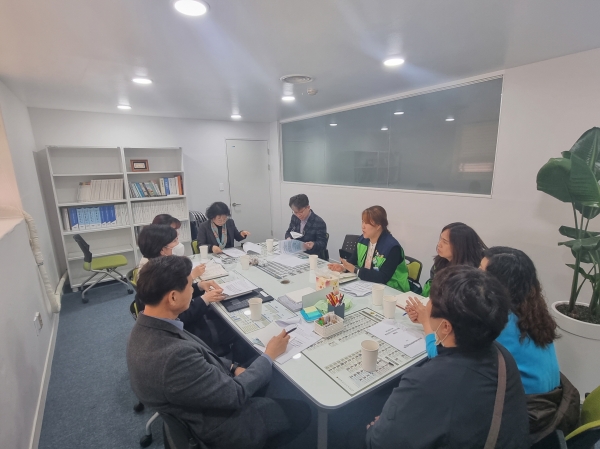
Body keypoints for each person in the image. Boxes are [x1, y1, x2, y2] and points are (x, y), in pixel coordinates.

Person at [127, 256, 311, 449]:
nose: (193, 290)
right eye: (190, 286)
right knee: (302, 411)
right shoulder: (173, 356)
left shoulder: (146, 327)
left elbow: (202, 358)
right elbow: (236, 394)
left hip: (199, 398)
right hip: (221, 427)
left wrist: (232, 366)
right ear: (173, 297)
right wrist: (269, 355)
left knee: (252, 364)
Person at [365, 266, 529, 449]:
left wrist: (376, 427)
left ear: (445, 327)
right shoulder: (503, 356)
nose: (426, 306)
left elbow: (380, 441)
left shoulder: (426, 382)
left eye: (430, 301)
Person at [481, 247, 580, 443]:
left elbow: (455, 360)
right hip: (550, 405)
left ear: (498, 284)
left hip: (529, 417)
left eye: (481, 272)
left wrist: (430, 327)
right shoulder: (531, 311)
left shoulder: (501, 322)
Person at [135, 224, 238, 356]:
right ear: (163, 250)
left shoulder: (154, 269)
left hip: (185, 326)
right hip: (190, 332)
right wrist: (204, 299)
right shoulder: (160, 277)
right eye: (174, 241)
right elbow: (179, 315)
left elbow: (178, 295)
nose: (178, 244)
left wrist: (199, 286)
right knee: (232, 326)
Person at [328, 205, 410, 292]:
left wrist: (356, 270)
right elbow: (353, 261)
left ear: (378, 225)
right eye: (362, 222)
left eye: (366, 223)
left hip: (393, 290)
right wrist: (343, 267)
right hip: (368, 284)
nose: (363, 226)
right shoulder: (362, 240)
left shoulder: (392, 248)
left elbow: (383, 277)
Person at [421, 222, 487, 296]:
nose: (439, 244)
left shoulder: (472, 274)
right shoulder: (440, 262)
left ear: (460, 246)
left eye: (445, 242)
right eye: (440, 239)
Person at [284, 194, 328, 258]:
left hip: (311, 256)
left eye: (301, 212)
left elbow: (323, 244)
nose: (298, 215)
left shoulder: (319, 222)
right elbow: (288, 232)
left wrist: (313, 244)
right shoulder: (294, 217)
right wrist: (288, 239)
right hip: (296, 253)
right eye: (296, 212)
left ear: (308, 207)